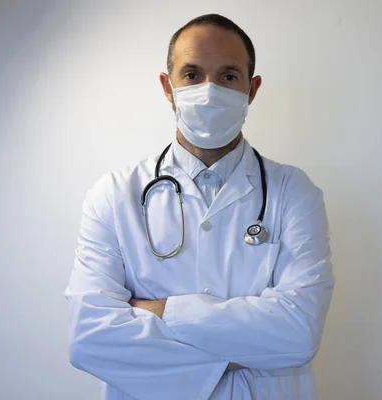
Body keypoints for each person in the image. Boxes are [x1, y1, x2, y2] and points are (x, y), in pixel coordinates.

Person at [65, 13, 335, 400]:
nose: (209, 92)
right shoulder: (112, 195)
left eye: (228, 76)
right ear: (167, 86)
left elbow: (298, 332)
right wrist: (246, 350)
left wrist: (160, 312)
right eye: (192, 75)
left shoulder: (294, 191)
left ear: (251, 89)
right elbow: (90, 339)